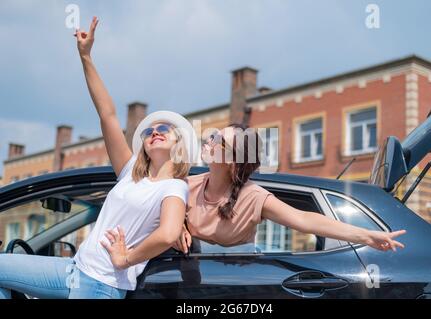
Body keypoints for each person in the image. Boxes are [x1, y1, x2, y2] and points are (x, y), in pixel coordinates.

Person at [0, 16, 198, 299]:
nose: (155, 132)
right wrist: (86, 56)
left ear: (179, 141)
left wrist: (126, 258)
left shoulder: (174, 186)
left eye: (164, 129)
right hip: (74, 270)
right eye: (149, 131)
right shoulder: (131, 172)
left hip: (101, 285)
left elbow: (168, 233)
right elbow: (107, 115)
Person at [170, 124, 406, 254]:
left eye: (218, 141)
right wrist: (176, 227)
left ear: (232, 162)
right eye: (213, 135)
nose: (208, 141)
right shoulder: (185, 185)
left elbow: (304, 219)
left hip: (240, 286)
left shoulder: (253, 197)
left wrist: (367, 235)